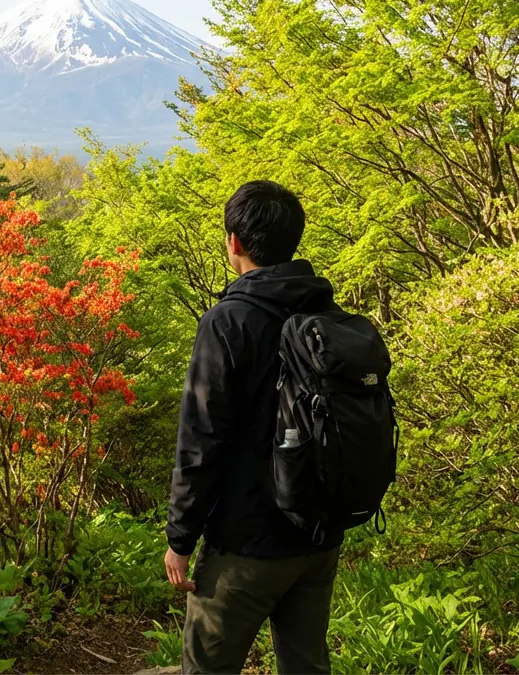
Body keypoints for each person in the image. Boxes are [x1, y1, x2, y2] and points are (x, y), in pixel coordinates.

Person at [163, 180, 343, 675]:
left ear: (234, 243)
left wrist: (181, 537)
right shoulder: (326, 315)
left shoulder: (228, 321)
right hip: (318, 537)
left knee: (208, 667)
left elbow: (201, 441)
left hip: (245, 542)